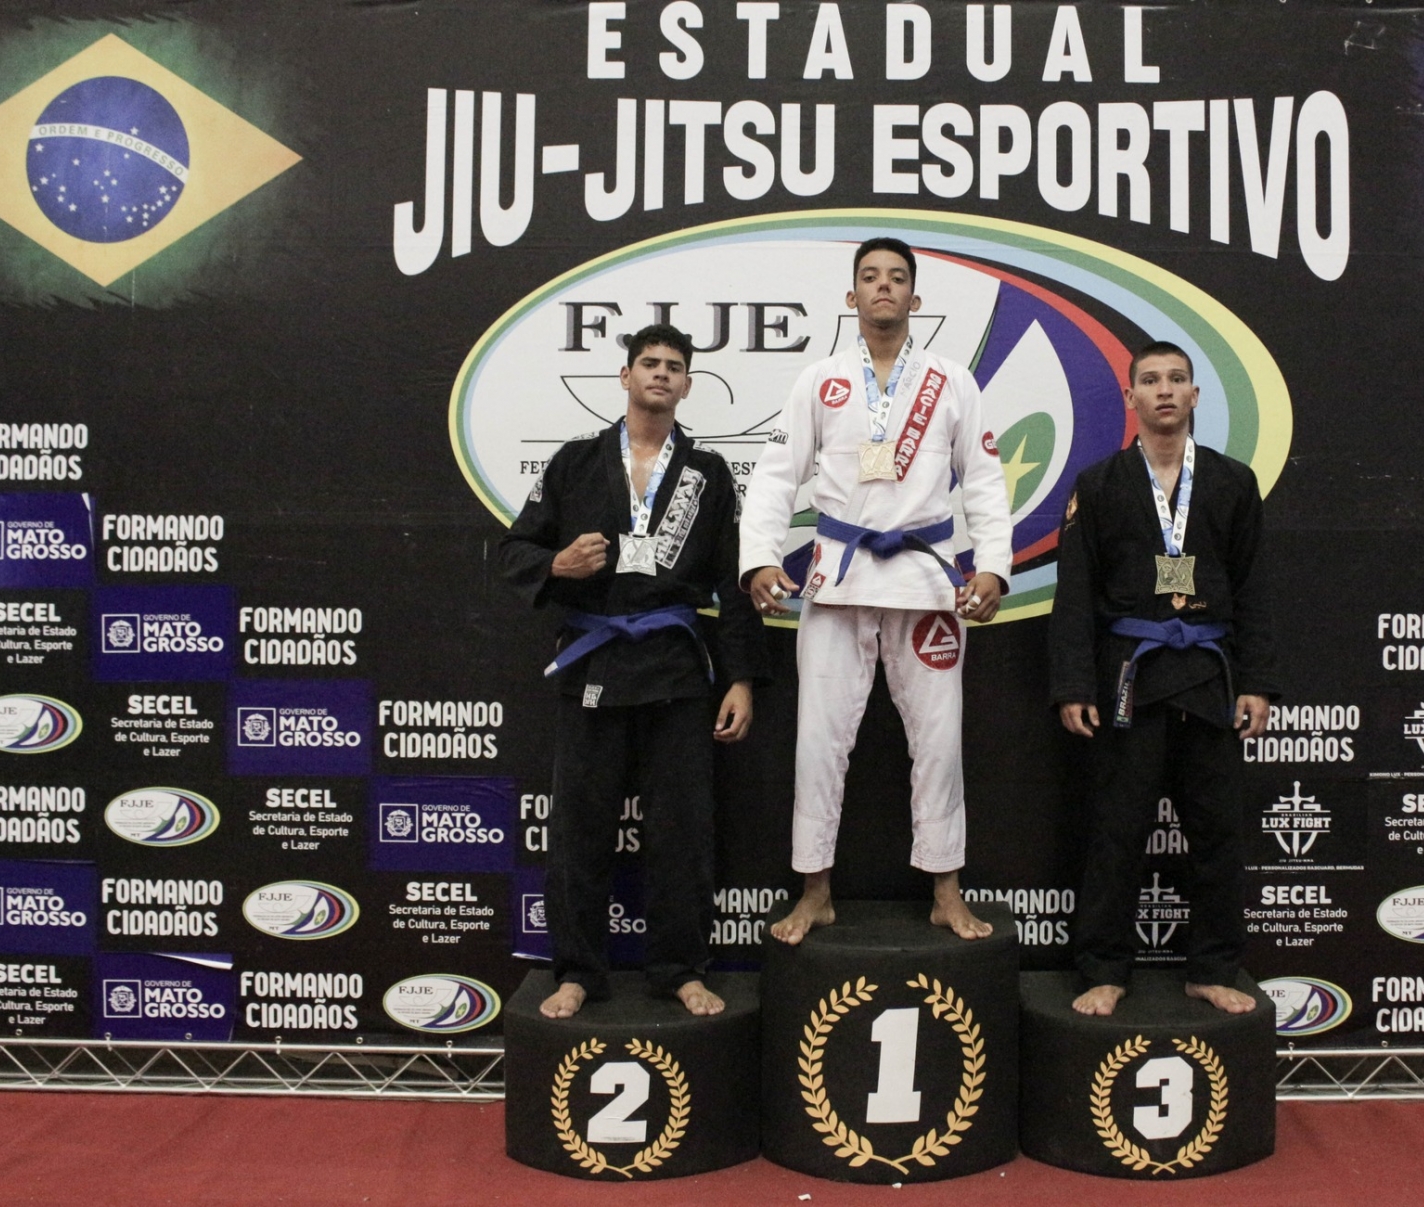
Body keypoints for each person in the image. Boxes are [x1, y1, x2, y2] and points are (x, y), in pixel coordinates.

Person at [741, 237, 1013, 944]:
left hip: (926, 581)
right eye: (870, 277)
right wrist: (760, 557)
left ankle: (946, 891)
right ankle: (815, 891)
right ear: (852, 296)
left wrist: (991, 564)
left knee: (940, 742)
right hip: (839, 578)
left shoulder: (953, 381)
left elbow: (984, 480)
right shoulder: (821, 380)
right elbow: (776, 475)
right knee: (818, 742)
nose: (883, 286)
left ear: (915, 298)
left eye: (896, 277)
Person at [498, 323, 765, 1018]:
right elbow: (514, 550)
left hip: (676, 670)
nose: (661, 373)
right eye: (649, 362)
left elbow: (734, 583)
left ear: (687, 385)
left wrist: (739, 678)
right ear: (625, 376)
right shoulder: (576, 463)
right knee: (579, 829)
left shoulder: (708, 475)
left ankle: (680, 969)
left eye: (674, 365)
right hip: (595, 660)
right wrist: (558, 565)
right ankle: (577, 972)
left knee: (682, 830)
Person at [1049, 341, 1280, 1016]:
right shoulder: (1099, 484)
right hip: (1130, 675)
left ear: (1195, 395)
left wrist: (1258, 681)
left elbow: (1256, 588)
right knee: (1116, 830)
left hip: (1209, 674)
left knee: (1217, 832)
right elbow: (1075, 593)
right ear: (1132, 398)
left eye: (1177, 379)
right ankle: (1103, 968)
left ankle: (1213, 967)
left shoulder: (1233, 483)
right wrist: (1073, 685)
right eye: (1150, 380)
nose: (1165, 390)